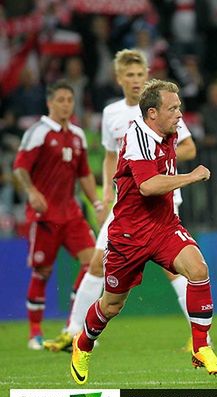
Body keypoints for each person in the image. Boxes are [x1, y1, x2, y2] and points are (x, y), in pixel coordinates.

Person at [70, 79, 217, 385]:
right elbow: (147, 185)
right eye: (173, 108)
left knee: (198, 269)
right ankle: (83, 344)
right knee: (112, 304)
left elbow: (184, 149)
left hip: (164, 226)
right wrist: (190, 177)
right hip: (129, 236)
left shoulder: (171, 130)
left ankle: (201, 346)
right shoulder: (137, 134)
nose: (180, 113)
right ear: (152, 113)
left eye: (179, 106)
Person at [43, 49, 199, 353]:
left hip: (159, 198)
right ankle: (73, 332)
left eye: (141, 74)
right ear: (119, 79)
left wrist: (149, 163)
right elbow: (111, 157)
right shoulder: (112, 114)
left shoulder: (162, 109)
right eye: (130, 75)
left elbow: (189, 148)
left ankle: (199, 334)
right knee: (98, 263)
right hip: (124, 204)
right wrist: (105, 195)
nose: (136, 80)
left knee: (175, 268)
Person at [13, 80, 100, 350]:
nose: (65, 104)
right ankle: (35, 334)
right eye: (60, 100)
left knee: (94, 264)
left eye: (69, 100)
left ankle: (72, 327)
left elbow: (84, 173)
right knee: (42, 272)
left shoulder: (77, 135)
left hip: (72, 214)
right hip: (45, 216)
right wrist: (31, 192)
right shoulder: (38, 132)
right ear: (50, 103)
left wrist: (96, 202)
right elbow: (19, 167)